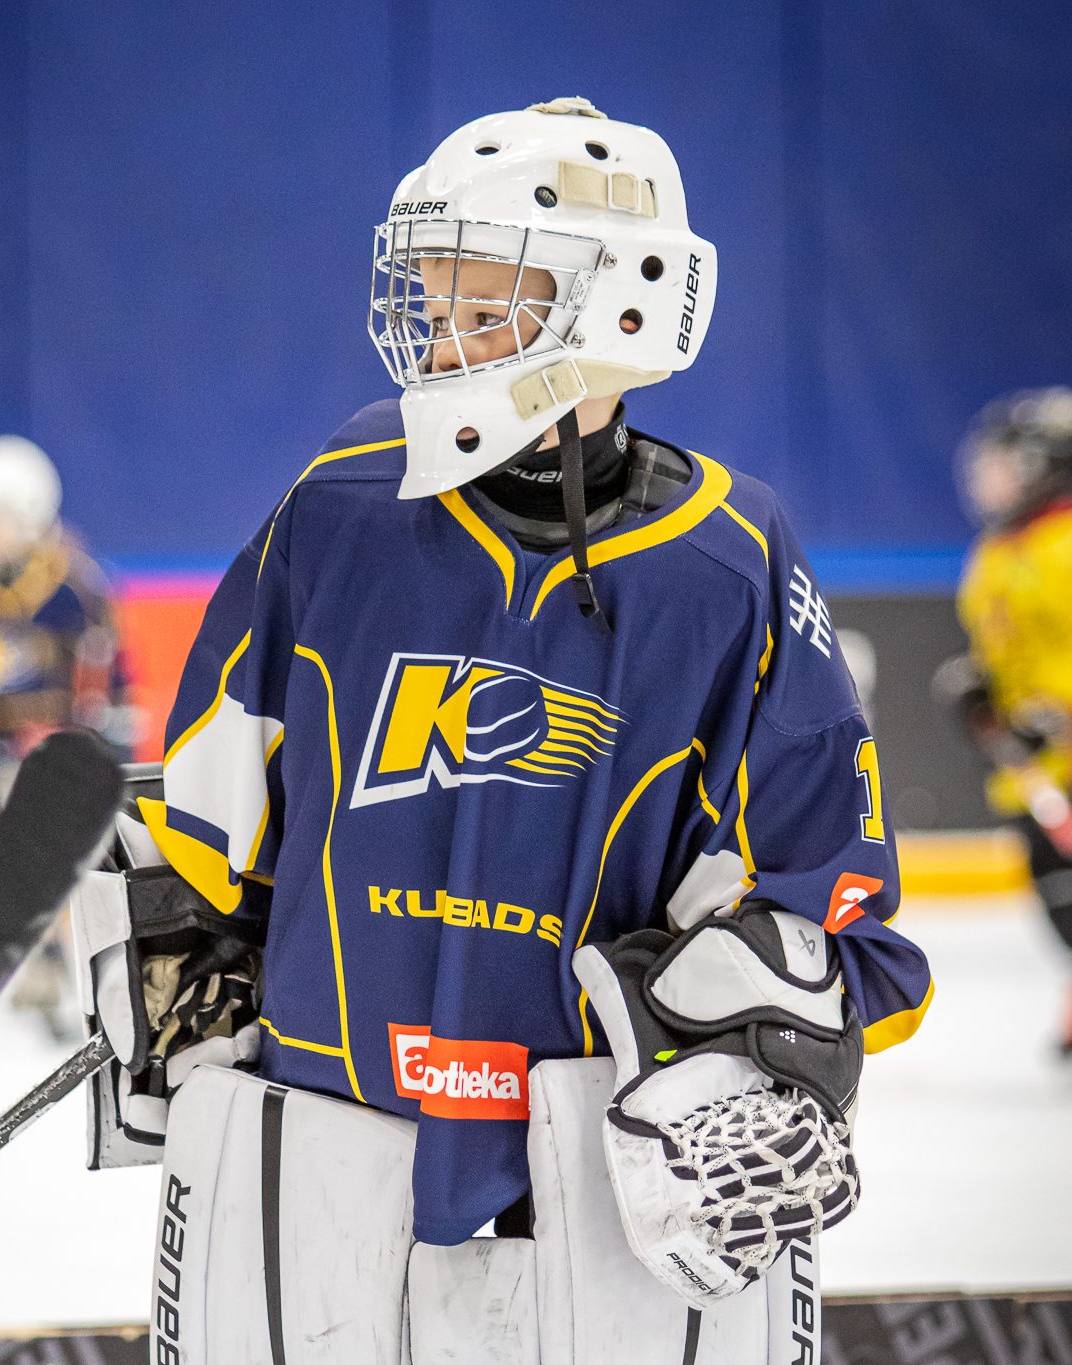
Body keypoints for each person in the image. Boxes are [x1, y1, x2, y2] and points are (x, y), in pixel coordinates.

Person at [79, 100, 932, 1363]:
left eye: (486, 289)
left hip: (595, 1162)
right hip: (324, 1127)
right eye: (436, 282)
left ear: (623, 301)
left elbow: (834, 901)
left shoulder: (730, 560)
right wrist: (186, 957)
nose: (440, 318)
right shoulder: (341, 504)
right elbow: (216, 811)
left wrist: (758, 1019)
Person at [0, 434, 133, 1037]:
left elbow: (103, 685)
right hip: (1, 758)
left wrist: (88, 737)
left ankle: (99, 965)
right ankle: (39, 965)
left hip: (74, 754)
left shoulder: (76, 593)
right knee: (10, 864)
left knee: (89, 864)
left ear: (25, 517)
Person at [939, 388, 1072, 1055]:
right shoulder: (995, 553)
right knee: (1057, 892)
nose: (990, 477)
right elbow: (1002, 650)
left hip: (1059, 754)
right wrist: (979, 690)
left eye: (1008, 462)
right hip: (1036, 770)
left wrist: (1057, 719)